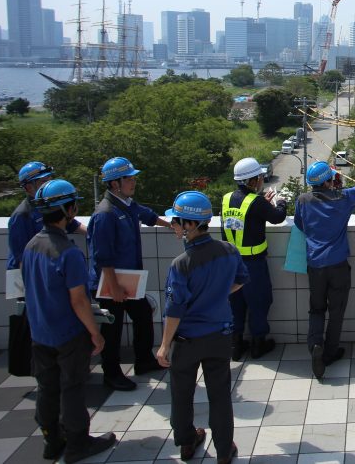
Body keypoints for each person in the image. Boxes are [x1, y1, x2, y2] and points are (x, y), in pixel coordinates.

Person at [22, 179, 117, 463]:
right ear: (68, 209)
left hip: (39, 332)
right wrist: (95, 333)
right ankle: (78, 444)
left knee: (47, 388)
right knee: (72, 388)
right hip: (67, 333)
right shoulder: (68, 253)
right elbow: (78, 300)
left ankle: (52, 440)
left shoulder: (31, 246)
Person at [157, 191, 246, 464]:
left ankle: (186, 442)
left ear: (190, 225)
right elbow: (242, 279)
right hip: (220, 335)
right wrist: (218, 295)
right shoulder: (229, 251)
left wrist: (163, 346)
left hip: (187, 340)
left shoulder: (181, 264)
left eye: (177, 221)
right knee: (220, 395)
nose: (173, 225)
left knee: (181, 394)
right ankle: (223, 450)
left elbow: (175, 310)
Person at [87, 156, 171, 391]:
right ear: (115, 183)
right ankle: (111, 374)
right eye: (130, 178)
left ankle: (144, 360)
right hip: (109, 282)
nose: (134, 182)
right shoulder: (106, 213)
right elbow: (102, 255)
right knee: (112, 328)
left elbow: (147, 215)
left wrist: (171, 225)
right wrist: (113, 287)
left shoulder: (126, 204)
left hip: (129, 280)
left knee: (143, 315)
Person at [294, 161, 355, 381]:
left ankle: (315, 344)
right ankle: (330, 351)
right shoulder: (342, 199)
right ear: (328, 180)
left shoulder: (302, 200)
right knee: (337, 310)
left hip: (315, 265)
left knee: (316, 309)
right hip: (337, 265)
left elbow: (299, 225)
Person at [222, 157, 287, 361]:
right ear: (252, 180)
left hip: (231, 262)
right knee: (259, 301)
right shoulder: (256, 202)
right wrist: (281, 202)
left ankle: (236, 345)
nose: (261, 180)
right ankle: (259, 344)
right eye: (259, 177)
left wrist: (263, 203)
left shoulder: (226, 198)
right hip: (253, 264)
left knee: (236, 303)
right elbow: (277, 217)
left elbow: (243, 217)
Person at [8, 161, 86, 270]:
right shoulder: (21, 216)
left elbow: (72, 224)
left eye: (50, 180)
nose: (48, 185)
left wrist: (96, 232)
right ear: (29, 187)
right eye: (43, 181)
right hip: (26, 273)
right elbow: (22, 258)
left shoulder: (49, 205)